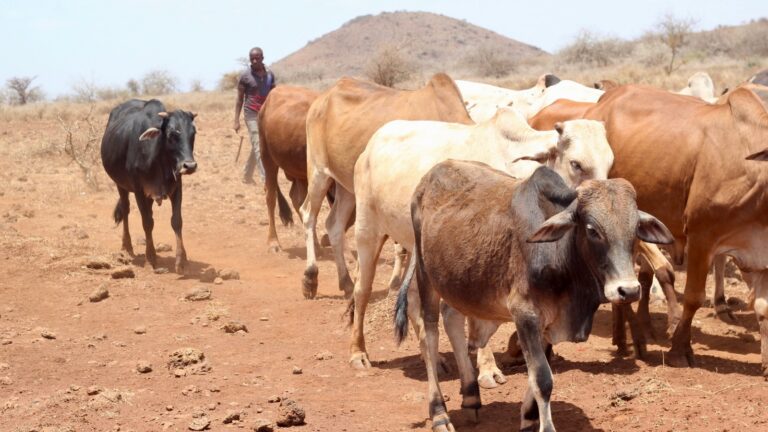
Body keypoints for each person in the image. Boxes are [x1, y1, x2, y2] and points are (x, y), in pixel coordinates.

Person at [233, 47, 276, 184]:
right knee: (258, 144)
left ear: (263, 57)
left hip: (266, 114)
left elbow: (274, 96)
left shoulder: (270, 75)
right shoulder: (245, 76)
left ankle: (247, 175)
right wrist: (236, 120)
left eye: (257, 58)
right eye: (252, 58)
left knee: (258, 144)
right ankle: (266, 179)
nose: (254, 60)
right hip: (251, 113)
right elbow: (240, 99)